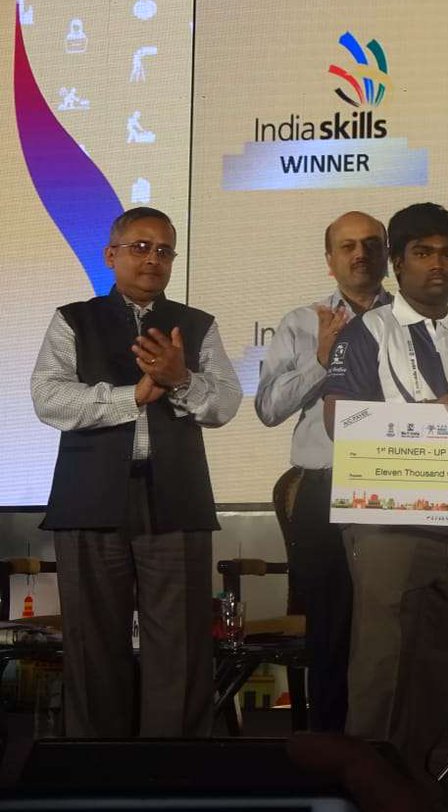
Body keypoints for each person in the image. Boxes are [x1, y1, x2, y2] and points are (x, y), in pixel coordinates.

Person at [30, 206, 242, 738]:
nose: (153, 259)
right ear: (111, 255)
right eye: (140, 247)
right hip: (89, 498)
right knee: (92, 645)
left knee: (181, 648)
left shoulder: (196, 324)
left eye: (164, 250)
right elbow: (48, 398)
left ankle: (174, 770)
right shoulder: (74, 319)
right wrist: (135, 396)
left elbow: (225, 404)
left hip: (176, 497)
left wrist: (181, 379)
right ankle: (98, 769)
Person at [322, 203, 448, 801]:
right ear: (396, 263)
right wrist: (431, 418)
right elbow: (339, 422)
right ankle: (363, 790)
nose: (436, 264)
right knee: (380, 671)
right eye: (422, 253)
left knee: (440, 669)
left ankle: (411, 785)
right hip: (386, 524)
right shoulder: (366, 331)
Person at [255, 210, 390, 732]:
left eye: (371, 244)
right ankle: (329, 744)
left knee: (388, 627)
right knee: (330, 630)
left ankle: (385, 745)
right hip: (325, 488)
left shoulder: (410, 319)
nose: (360, 254)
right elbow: (268, 409)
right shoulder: (300, 322)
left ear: (387, 254)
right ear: (330, 260)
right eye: (347, 246)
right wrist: (321, 359)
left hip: (394, 485)